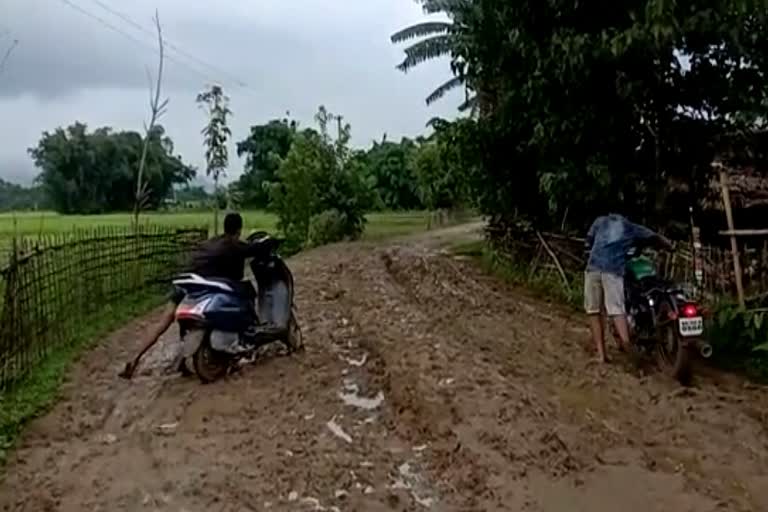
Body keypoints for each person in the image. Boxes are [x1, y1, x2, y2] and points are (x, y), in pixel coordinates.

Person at [119, 212, 263, 379]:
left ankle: (134, 359)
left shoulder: (212, 242)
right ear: (239, 229)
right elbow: (256, 249)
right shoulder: (233, 245)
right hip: (201, 288)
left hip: (185, 284)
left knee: (163, 323)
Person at [584, 213, 672, 363]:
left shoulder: (599, 221)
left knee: (594, 311)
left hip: (593, 268)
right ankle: (627, 346)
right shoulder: (631, 227)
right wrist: (668, 246)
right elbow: (654, 237)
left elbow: (588, 242)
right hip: (613, 270)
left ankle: (601, 355)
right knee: (617, 309)